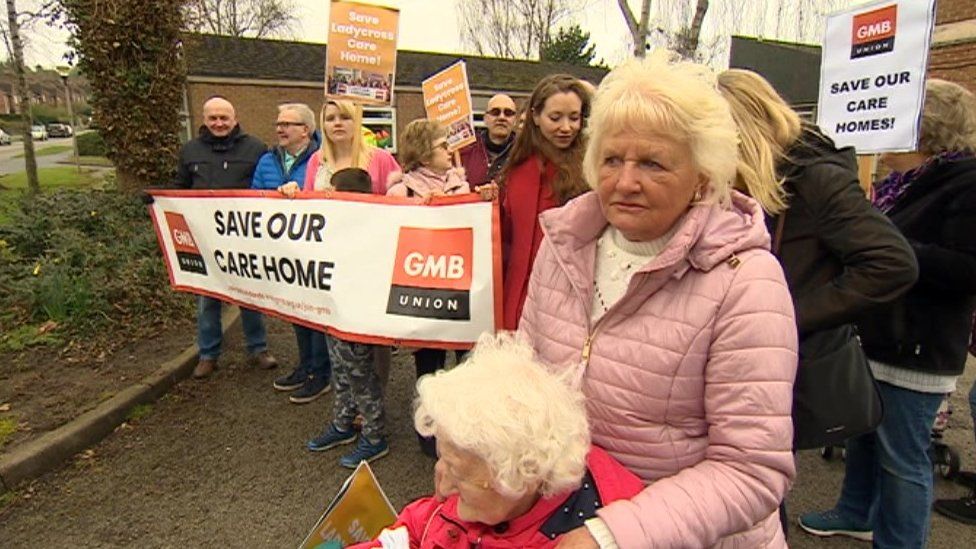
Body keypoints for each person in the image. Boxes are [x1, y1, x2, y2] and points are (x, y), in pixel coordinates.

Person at [517, 51, 798, 547]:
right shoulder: (563, 246)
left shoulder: (746, 281)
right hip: (569, 517)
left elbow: (752, 471)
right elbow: (525, 377)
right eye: (611, 160)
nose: (625, 182)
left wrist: (613, 535)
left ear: (704, 176)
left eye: (653, 163)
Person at [717, 69, 918, 535]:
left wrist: (788, 315)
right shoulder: (758, 175)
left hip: (787, 356)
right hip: (747, 351)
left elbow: (891, 263)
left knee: (756, 486)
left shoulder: (816, 177)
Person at [800, 79, 976, 545]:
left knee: (902, 457)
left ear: (924, 130)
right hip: (878, 335)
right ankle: (856, 513)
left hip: (919, 344)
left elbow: (966, 271)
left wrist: (889, 249)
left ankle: (899, 541)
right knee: (862, 434)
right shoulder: (901, 182)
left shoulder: (966, 182)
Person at [348, 332, 644, 548]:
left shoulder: (583, 535)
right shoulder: (487, 496)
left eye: (458, 473)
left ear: (517, 479)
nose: (443, 486)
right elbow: (417, 526)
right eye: (444, 461)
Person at [175, 95, 277, 379]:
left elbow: (264, 188)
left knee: (250, 296)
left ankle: (258, 348)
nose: (219, 123)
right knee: (208, 299)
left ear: (234, 119)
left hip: (244, 240)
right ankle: (208, 354)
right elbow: (180, 189)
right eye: (213, 118)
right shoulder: (189, 150)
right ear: (204, 120)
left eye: (224, 118)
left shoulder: (256, 148)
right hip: (206, 240)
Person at [304, 99, 400, 390]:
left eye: (344, 117)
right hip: (331, 258)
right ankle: (345, 394)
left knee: (373, 331)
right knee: (336, 326)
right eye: (330, 118)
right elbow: (308, 205)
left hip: (371, 258)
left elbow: (401, 200)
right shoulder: (315, 161)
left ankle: (374, 395)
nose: (337, 123)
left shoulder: (380, 159)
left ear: (356, 122)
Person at [306, 167, 389, 467]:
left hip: (358, 317)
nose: (326, 193)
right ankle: (343, 424)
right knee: (340, 372)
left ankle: (375, 436)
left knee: (360, 376)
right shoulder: (334, 224)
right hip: (336, 313)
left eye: (332, 188)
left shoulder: (371, 227)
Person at [251, 103, 332, 404]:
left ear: (306, 130)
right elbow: (255, 197)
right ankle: (305, 365)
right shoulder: (266, 161)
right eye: (278, 123)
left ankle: (321, 373)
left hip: (314, 250)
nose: (279, 129)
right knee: (297, 311)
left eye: (288, 124)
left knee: (317, 314)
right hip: (283, 251)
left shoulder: (321, 160)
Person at [500, 74, 591, 330]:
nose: (566, 127)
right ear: (535, 117)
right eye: (556, 117)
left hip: (566, 299)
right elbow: (505, 238)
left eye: (574, 118)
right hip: (515, 297)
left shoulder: (591, 170)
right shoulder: (517, 170)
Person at [459, 93, 518, 187]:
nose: (502, 117)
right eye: (495, 112)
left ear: (515, 120)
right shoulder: (466, 151)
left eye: (508, 113)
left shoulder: (524, 152)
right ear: (485, 119)